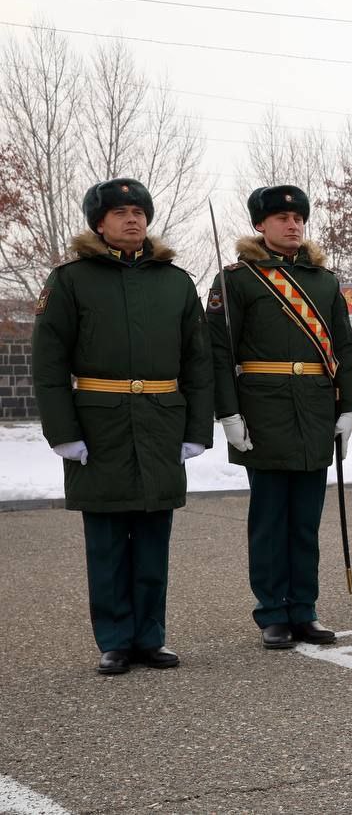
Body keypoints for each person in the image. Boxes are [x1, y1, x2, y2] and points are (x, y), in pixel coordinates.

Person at [32, 178, 213, 675]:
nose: (132, 219)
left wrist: (197, 428)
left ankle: (150, 637)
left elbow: (198, 362)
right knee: (108, 539)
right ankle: (114, 639)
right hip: (100, 424)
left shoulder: (176, 282)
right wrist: (63, 432)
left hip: (160, 421)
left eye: (138, 211)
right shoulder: (71, 281)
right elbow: (48, 364)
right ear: (99, 223)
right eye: (119, 212)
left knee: (155, 535)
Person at [206, 185, 352, 649]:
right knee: (271, 519)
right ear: (260, 225)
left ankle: (304, 609)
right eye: (280, 218)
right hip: (264, 409)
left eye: (298, 218)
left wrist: (348, 406)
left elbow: (342, 349)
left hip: (314, 406)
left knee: (305, 521)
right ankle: (272, 612)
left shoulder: (324, 280)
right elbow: (218, 352)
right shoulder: (238, 279)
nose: (292, 225)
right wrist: (228, 413)